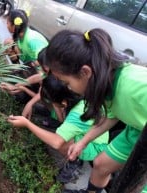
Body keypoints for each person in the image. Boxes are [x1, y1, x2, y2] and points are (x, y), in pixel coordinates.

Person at [43, 28, 147, 193]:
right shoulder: (107, 80)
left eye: (67, 83)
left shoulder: (135, 87)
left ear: (85, 72)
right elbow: (111, 115)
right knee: (101, 164)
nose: (69, 89)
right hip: (138, 128)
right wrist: (82, 143)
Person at [7, 74, 110, 183]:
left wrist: (27, 124)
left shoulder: (78, 113)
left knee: (62, 141)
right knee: (61, 128)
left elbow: (56, 142)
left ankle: (74, 162)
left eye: (52, 101)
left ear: (64, 103)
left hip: (95, 146)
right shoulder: (76, 92)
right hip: (88, 134)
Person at [0, 9, 48, 103]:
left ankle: (34, 93)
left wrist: (18, 86)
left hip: (43, 74)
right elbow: (8, 47)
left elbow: (43, 71)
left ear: (14, 26)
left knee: (19, 95)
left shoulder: (32, 40)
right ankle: (18, 72)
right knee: (8, 43)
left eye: (7, 23)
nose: (6, 25)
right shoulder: (19, 34)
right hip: (31, 66)